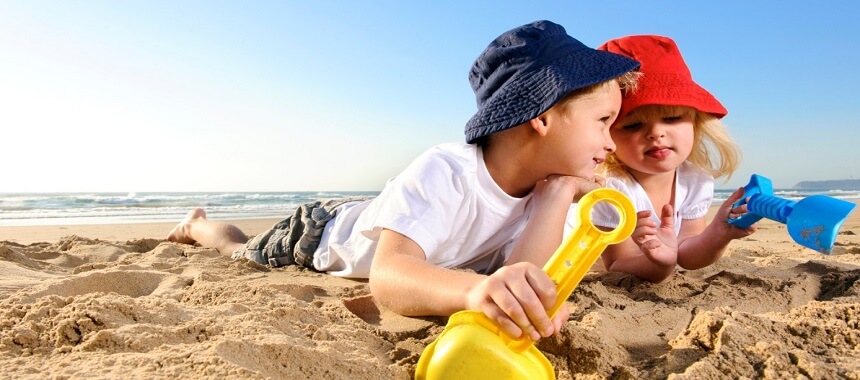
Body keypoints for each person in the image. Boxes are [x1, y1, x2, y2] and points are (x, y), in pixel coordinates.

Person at [167, 20, 640, 342]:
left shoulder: (545, 184)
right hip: (320, 233)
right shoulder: (449, 170)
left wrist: (556, 195)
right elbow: (388, 278)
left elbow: (520, 276)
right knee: (239, 250)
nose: (611, 143)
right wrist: (474, 293)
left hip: (384, 215)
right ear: (541, 116)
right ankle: (197, 225)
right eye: (603, 121)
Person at [586, 35, 756, 283]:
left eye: (672, 118)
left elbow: (687, 255)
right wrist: (660, 265)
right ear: (607, 133)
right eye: (632, 125)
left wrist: (719, 235)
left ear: (696, 122)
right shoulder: (610, 187)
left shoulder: (694, 180)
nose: (656, 133)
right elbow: (617, 264)